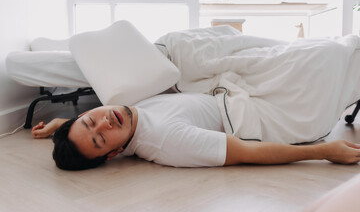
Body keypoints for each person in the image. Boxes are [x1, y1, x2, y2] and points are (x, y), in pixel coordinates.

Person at [32, 93, 360, 171]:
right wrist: (324, 151)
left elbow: (96, 127)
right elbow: (247, 152)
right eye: (101, 139)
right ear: (115, 153)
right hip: (246, 106)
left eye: (91, 120)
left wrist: (62, 124)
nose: (105, 122)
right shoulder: (167, 141)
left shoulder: (123, 118)